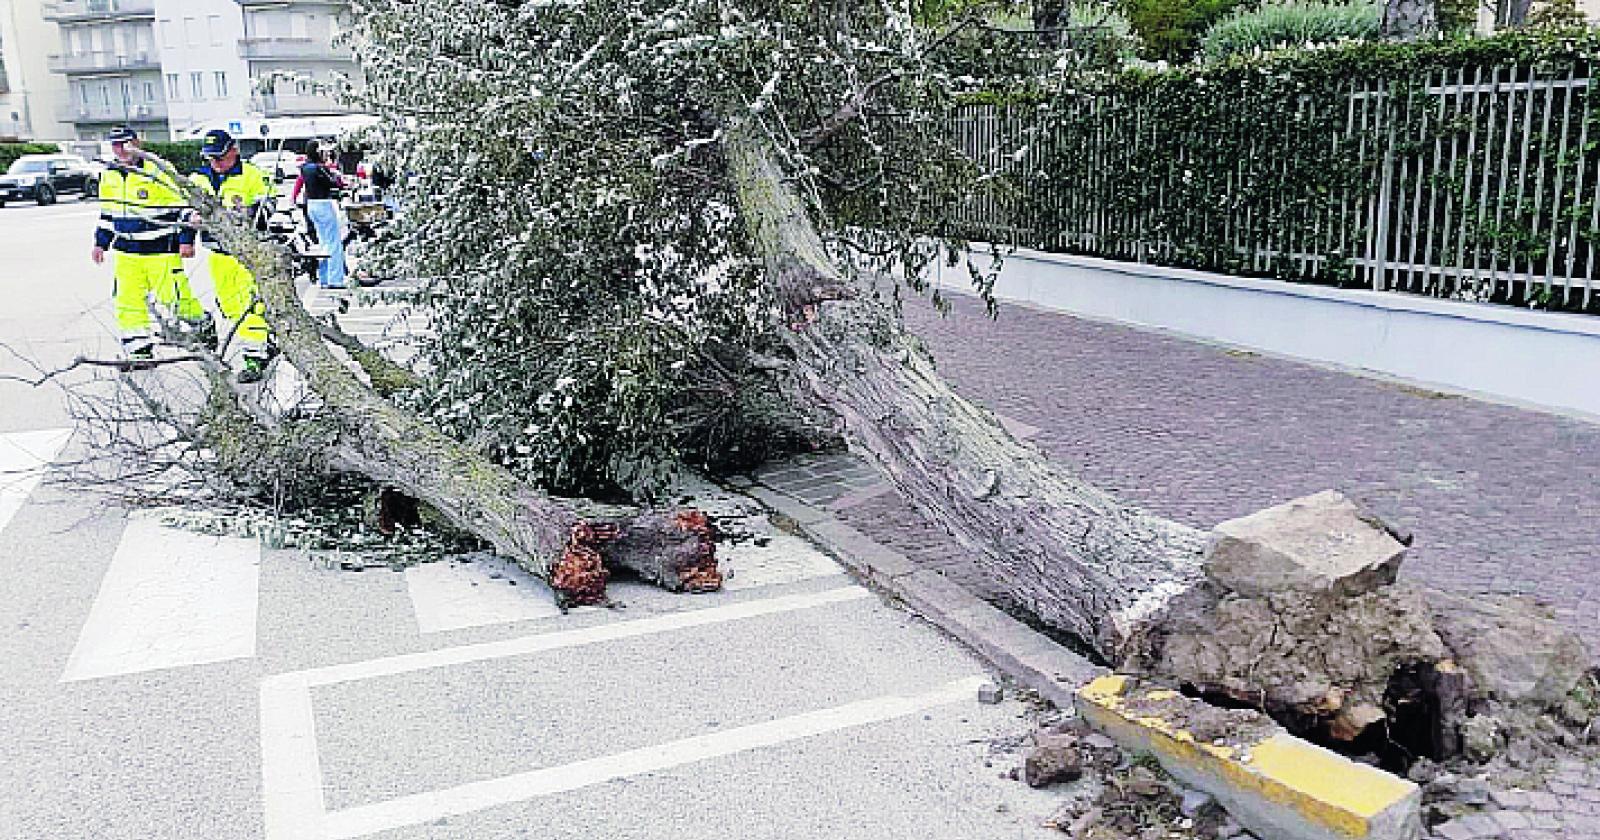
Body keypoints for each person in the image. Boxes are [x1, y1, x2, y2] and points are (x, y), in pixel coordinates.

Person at [91, 126, 212, 362]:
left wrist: (186, 239)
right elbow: (108, 213)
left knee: (175, 299)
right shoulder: (109, 174)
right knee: (128, 301)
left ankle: (203, 325)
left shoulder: (159, 170)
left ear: (137, 142)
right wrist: (100, 244)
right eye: (115, 145)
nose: (121, 149)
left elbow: (183, 207)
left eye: (125, 143)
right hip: (126, 251)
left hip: (160, 248)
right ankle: (140, 350)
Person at [186, 129, 277, 383]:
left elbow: (269, 206)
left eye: (220, 157)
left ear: (234, 150)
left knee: (251, 304)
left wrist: (248, 212)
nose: (216, 163)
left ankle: (254, 358)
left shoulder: (252, 175)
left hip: (245, 253)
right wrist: (188, 231)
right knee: (231, 306)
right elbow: (183, 210)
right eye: (211, 158)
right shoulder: (198, 178)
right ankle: (263, 345)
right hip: (217, 253)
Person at [299, 139, 347, 289]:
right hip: (323, 204)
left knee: (324, 243)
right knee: (334, 243)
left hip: (311, 205)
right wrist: (335, 174)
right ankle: (335, 279)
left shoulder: (305, 167)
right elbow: (333, 183)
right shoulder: (318, 168)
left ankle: (324, 277)